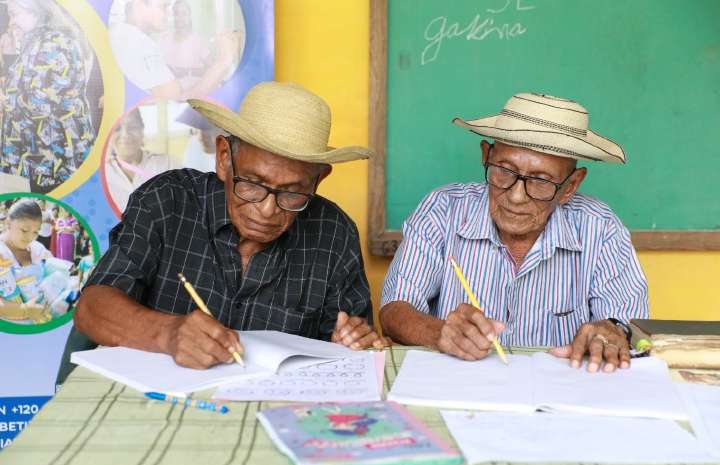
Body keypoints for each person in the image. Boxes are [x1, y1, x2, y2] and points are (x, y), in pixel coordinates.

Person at [63, 81, 389, 379]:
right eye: (252, 184)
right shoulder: (166, 202)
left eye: (293, 192)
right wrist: (169, 333)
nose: (267, 209)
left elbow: (353, 346)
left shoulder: (334, 234)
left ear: (319, 179)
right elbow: (93, 309)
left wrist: (352, 340)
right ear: (223, 158)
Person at [380, 93, 648, 373]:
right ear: (486, 156)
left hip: (559, 400)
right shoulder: (443, 210)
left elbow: (629, 326)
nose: (517, 196)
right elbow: (394, 310)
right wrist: (440, 332)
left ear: (570, 186)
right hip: (462, 392)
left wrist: (612, 332)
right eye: (505, 171)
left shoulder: (601, 228)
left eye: (541, 181)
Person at [0, 0, 94, 193]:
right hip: (42, 154)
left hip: (55, 155)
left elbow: (40, 104)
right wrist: (10, 57)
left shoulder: (54, 44)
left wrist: (4, 100)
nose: (12, 22)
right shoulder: (38, 40)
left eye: (15, 13)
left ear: (34, 9)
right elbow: (24, 83)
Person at [109, 0, 240, 100]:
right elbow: (178, 101)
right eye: (164, 6)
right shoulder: (144, 44)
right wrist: (223, 61)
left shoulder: (117, 34)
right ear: (139, 4)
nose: (168, 15)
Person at [104, 107, 181, 212]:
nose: (125, 134)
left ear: (142, 129)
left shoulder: (168, 164)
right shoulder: (102, 176)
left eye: (133, 127)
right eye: (117, 129)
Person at [0, 198, 52, 323]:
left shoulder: (37, 248)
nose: (30, 237)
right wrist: (24, 310)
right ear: (8, 223)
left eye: (35, 232)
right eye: (24, 230)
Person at [158, 0, 212, 93]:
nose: (180, 18)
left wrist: (186, 72)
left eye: (184, 13)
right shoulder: (164, 39)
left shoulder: (198, 40)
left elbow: (212, 68)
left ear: (190, 17)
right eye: (176, 13)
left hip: (192, 93)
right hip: (168, 91)